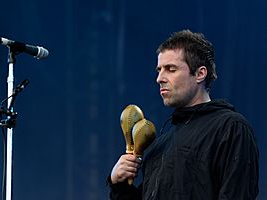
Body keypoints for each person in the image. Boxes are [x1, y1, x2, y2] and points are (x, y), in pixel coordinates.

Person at [107, 30, 259, 199]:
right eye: (159, 70)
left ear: (200, 74)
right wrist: (118, 184)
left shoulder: (230, 127)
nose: (160, 78)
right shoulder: (162, 142)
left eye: (170, 69)